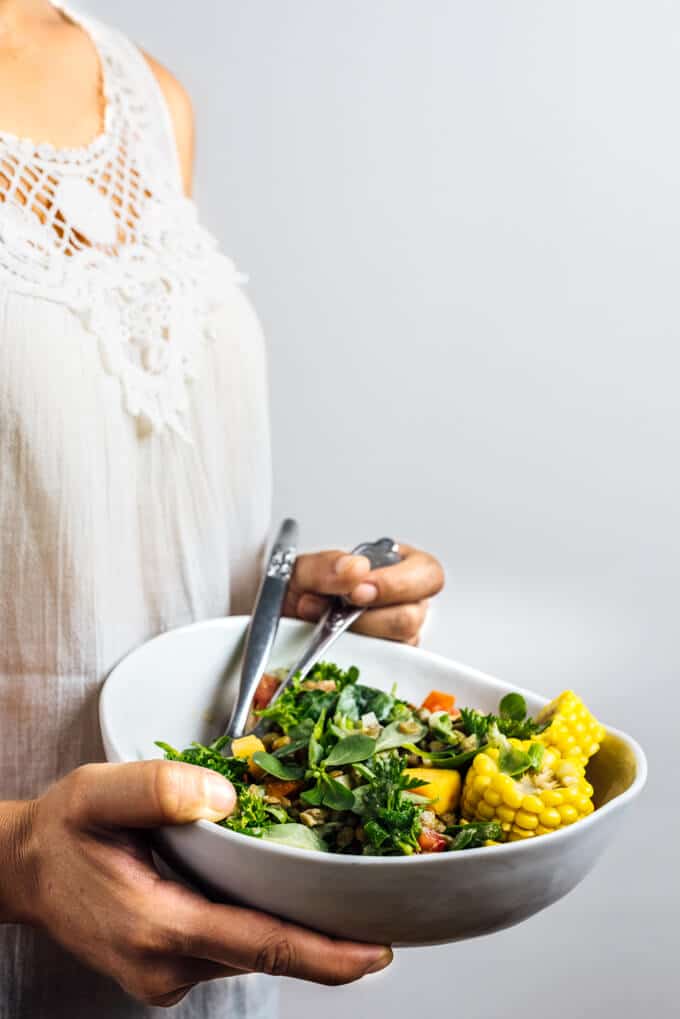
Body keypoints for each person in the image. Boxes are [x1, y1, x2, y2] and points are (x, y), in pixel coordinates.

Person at [0, 2, 444, 1017]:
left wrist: (295, 618)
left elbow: (88, 509)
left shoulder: (145, 96)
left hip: (197, 930)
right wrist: (21, 859)